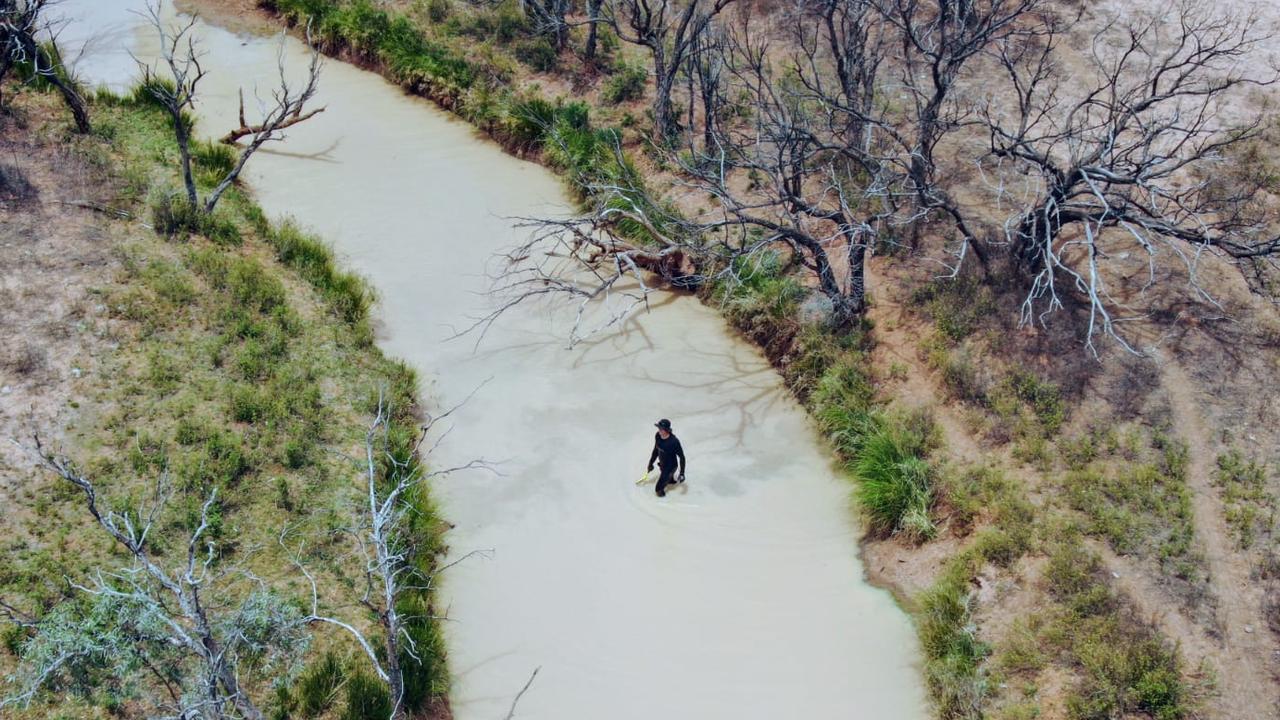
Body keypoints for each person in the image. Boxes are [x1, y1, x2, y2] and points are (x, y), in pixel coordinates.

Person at [646, 418, 686, 497]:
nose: (659, 431)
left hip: (671, 466)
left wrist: (682, 473)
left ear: (667, 430)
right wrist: (651, 463)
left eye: (661, 429)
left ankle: (665, 503)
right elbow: (656, 450)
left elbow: (682, 457)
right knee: (667, 478)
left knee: (658, 489)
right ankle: (670, 480)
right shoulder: (658, 436)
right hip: (662, 464)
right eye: (659, 428)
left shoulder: (674, 442)